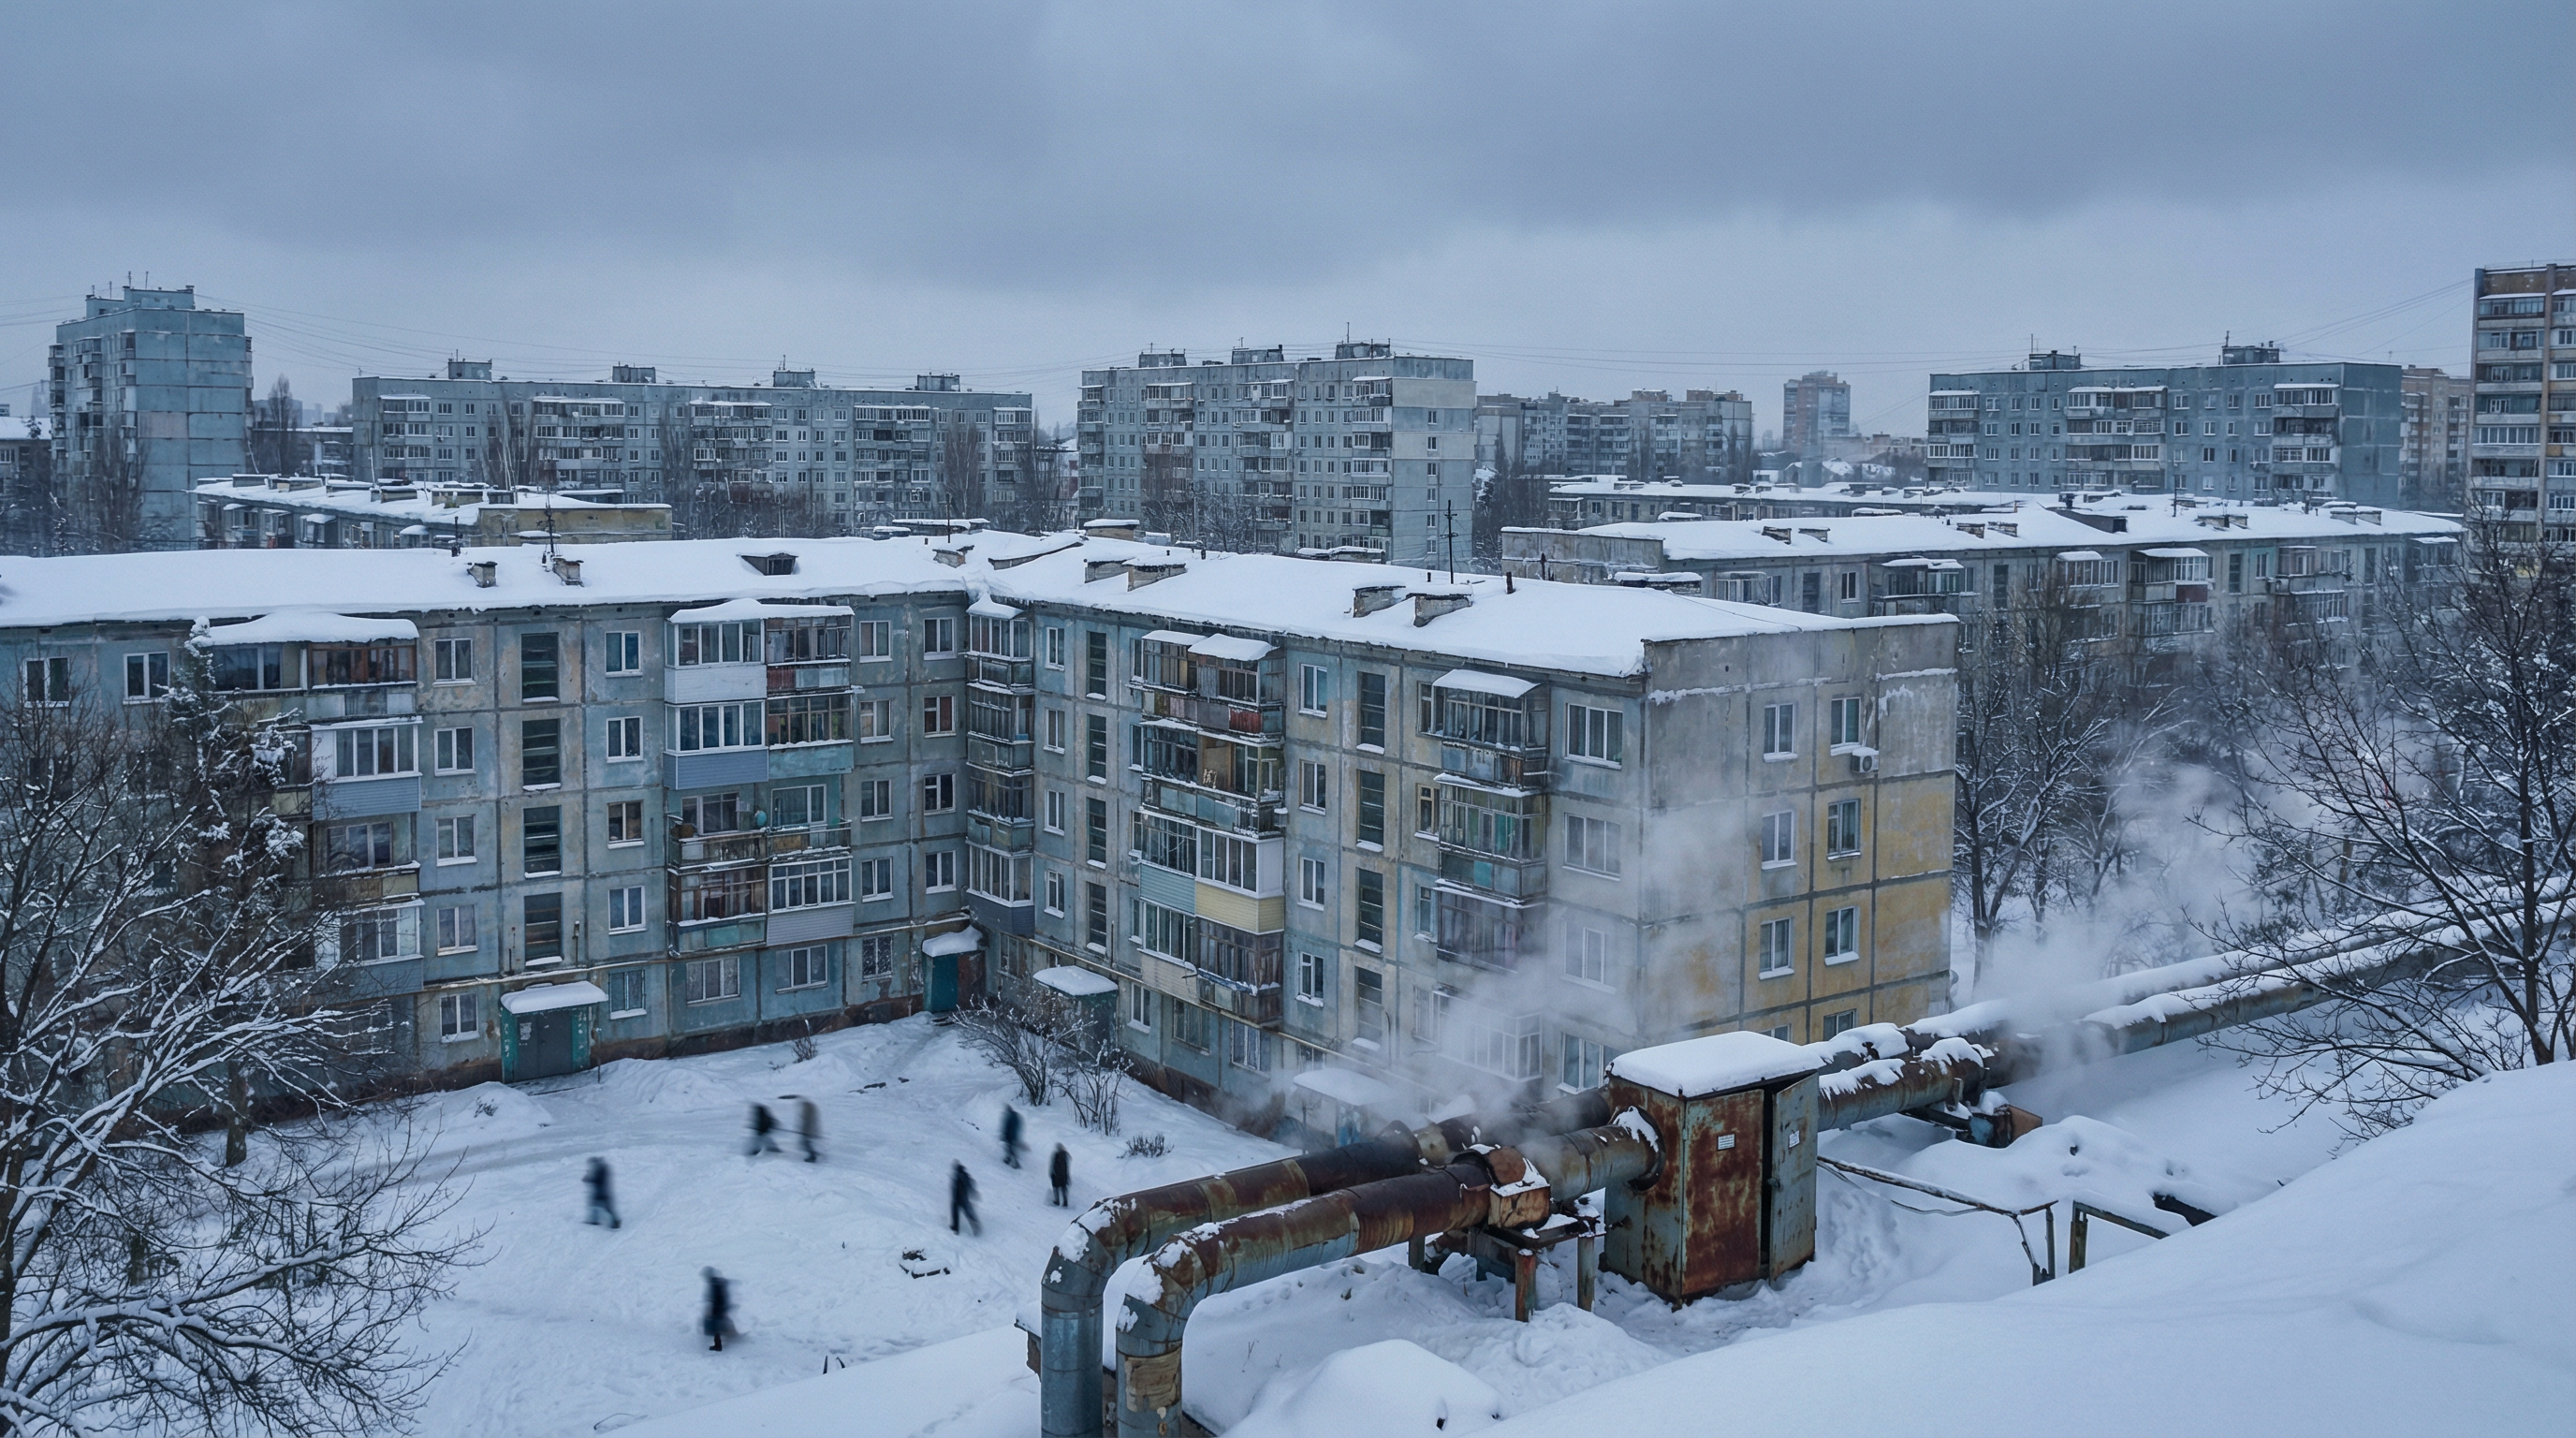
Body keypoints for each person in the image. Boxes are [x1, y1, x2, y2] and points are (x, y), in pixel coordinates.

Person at [701, 1268, 735, 1352]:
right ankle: (732, 1336)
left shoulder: (714, 1284)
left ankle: (718, 1346)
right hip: (720, 1307)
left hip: (718, 1308)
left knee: (716, 1328)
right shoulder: (716, 1282)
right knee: (722, 1324)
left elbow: (716, 1298)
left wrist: (714, 1310)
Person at [584, 1156, 620, 1229]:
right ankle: (595, 1221)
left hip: (602, 1193)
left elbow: (596, 1180)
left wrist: (588, 1177)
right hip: (601, 1192)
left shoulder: (601, 1170)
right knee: (595, 1207)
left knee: (605, 1208)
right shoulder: (601, 1168)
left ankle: (615, 1222)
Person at [950, 1161, 980, 1236]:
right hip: (964, 1198)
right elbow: (971, 1185)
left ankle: (956, 1228)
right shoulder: (965, 1175)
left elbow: (956, 1188)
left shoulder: (959, 1175)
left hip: (959, 1199)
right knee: (968, 1213)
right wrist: (973, 1192)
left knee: (956, 1213)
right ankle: (976, 1226)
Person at [798, 1097, 821, 1164]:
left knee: (806, 1143)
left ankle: (812, 1155)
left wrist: (803, 1130)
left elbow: (805, 1121)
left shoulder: (807, 1110)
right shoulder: (811, 1109)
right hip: (809, 1130)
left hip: (807, 1130)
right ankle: (813, 1153)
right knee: (807, 1143)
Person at [1000, 1105, 1023, 1169]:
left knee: (1010, 1149)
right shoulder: (1016, 1116)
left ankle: (1016, 1164)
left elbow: (1007, 1126)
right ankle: (1008, 1159)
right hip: (1014, 1136)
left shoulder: (1010, 1116)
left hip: (1010, 1136)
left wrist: (1005, 1135)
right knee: (1009, 1148)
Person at [1048, 1143, 1071, 1208]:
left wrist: (1052, 1173)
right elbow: (1066, 1167)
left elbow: (1054, 1165)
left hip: (1057, 1176)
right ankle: (1065, 1201)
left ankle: (1057, 1201)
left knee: (1056, 1188)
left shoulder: (1057, 1155)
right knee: (1063, 1188)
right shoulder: (1065, 1155)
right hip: (1064, 1176)